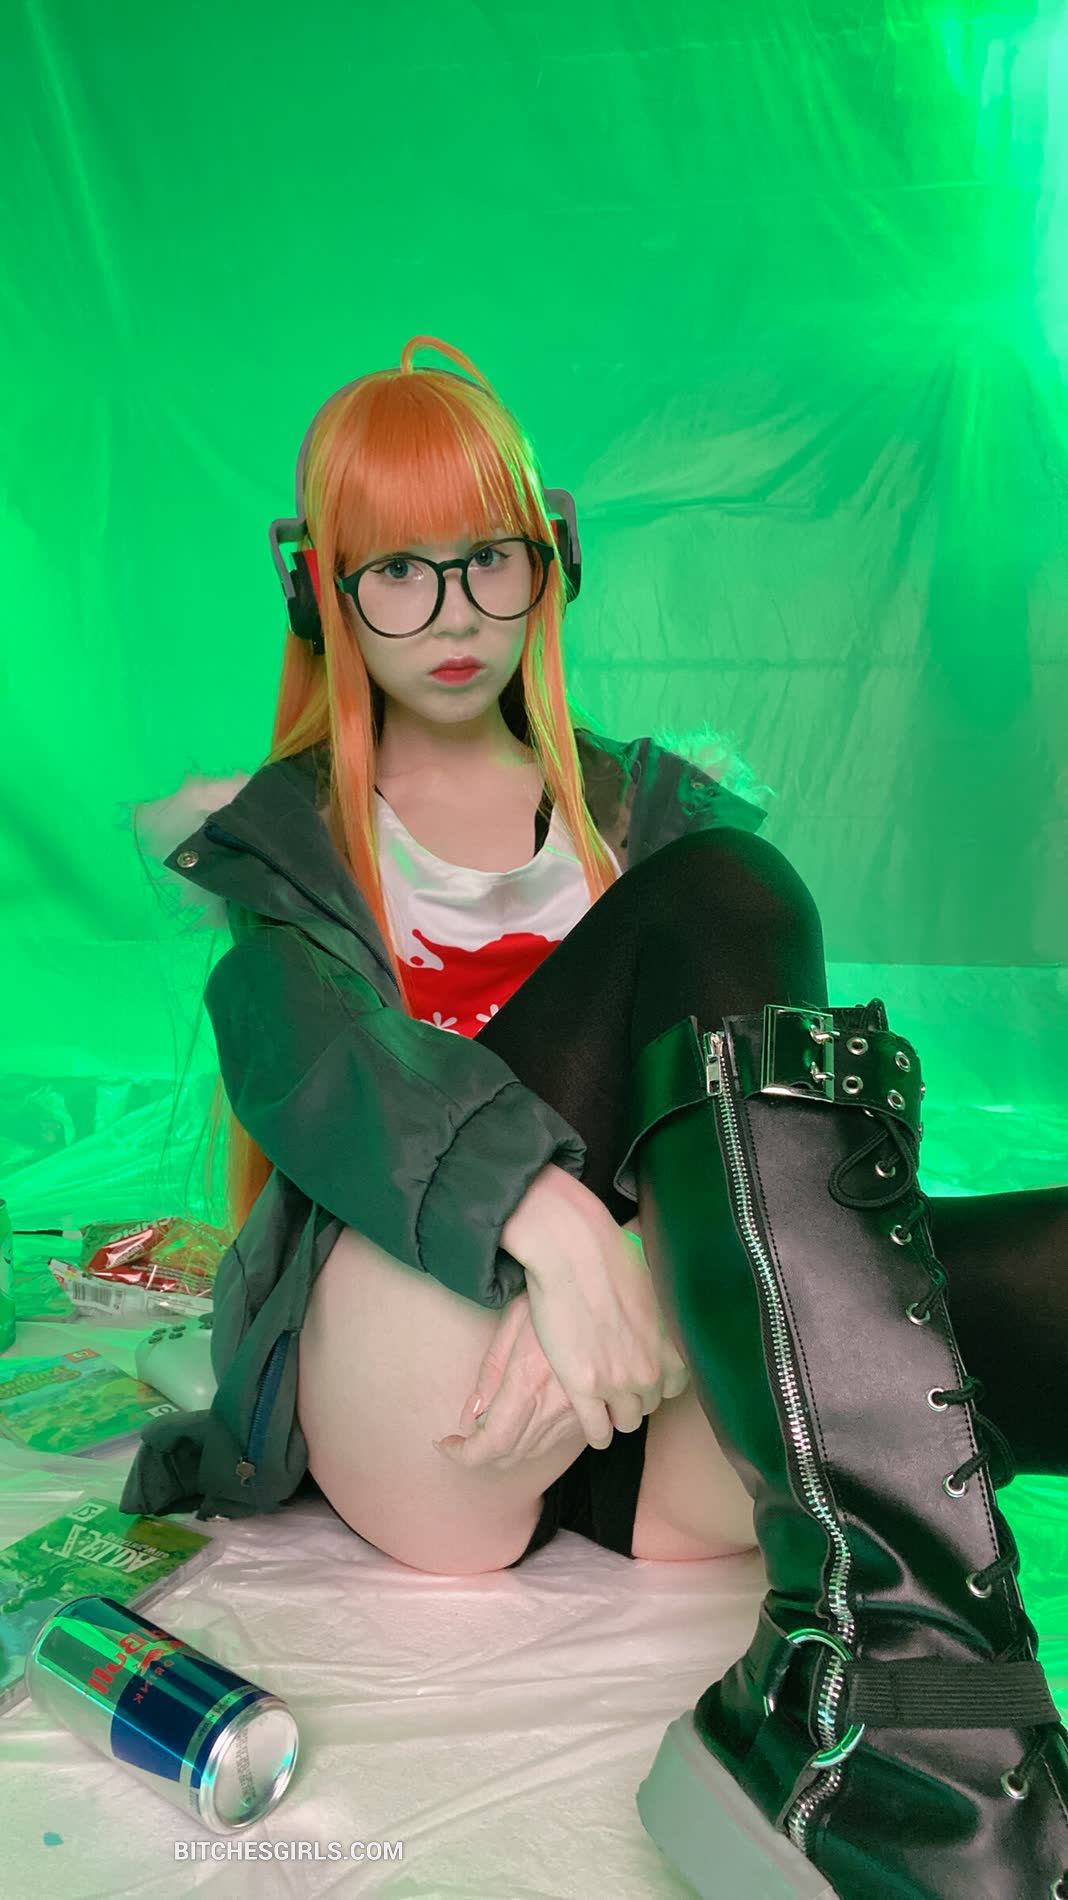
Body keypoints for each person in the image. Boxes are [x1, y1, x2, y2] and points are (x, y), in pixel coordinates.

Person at [120, 334, 1067, 1586]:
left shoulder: (645, 815)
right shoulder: (289, 844)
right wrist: (546, 1215)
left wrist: (643, 1259)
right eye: (398, 570)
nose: (456, 611)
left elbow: (768, 1140)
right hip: (431, 1370)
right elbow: (306, 1045)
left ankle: (893, 1638)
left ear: (551, 557)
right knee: (728, 892)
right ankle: (723, 1317)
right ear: (319, 588)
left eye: (489, 558)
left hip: (659, 1389)